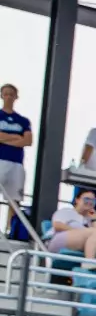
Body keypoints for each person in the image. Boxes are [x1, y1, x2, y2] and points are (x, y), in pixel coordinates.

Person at [48, 191, 96, 259]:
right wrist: (82, 232)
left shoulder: (89, 219)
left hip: (80, 243)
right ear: (77, 200)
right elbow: (57, 226)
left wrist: (94, 220)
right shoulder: (67, 211)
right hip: (58, 240)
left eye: (93, 200)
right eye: (87, 199)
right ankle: (89, 262)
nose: (90, 202)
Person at [0, 83, 31, 220]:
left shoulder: (23, 120)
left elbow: (28, 141)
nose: (8, 97)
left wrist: (5, 138)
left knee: (14, 198)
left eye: (11, 94)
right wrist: (16, 137)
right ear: (1, 96)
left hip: (17, 163)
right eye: (6, 94)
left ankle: (9, 229)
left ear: (16, 97)